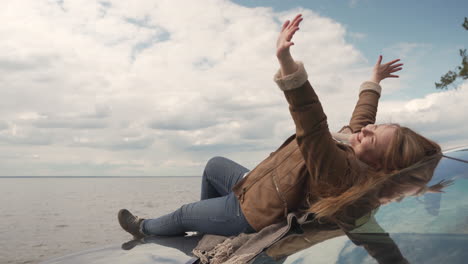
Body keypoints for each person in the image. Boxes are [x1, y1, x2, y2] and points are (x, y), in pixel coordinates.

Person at [118, 14, 447, 241]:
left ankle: (145, 228)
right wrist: (374, 81)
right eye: (375, 127)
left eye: (373, 138)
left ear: (379, 165)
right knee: (214, 164)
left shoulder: (341, 171)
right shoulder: (356, 145)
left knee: (184, 214)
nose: (367, 130)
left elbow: (313, 125)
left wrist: (288, 67)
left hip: (250, 213)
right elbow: (362, 117)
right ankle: (209, 227)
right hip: (258, 185)